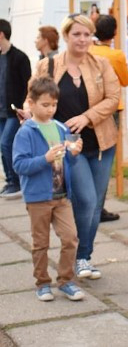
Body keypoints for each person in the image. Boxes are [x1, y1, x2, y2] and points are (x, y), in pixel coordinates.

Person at [33, 14, 119, 280]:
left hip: (102, 144)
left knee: (95, 205)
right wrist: (29, 114)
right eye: (76, 34)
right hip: (68, 147)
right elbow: (31, 97)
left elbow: (114, 98)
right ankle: (79, 255)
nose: (82, 39)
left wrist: (87, 117)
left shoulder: (101, 64)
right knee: (86, 200)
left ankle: (83, 257)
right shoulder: (47, 65)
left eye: (86, 34)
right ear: (66, 36)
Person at [12, 76, 85, 301]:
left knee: (70, 238)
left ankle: (66, 280)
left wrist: (73, 153)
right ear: (31, 103)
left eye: (54, 104)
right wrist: (45, 158)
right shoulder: (26, 132)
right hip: (38, 198)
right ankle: (42, 283)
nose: (50, 109)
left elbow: (67, 162)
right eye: (45, 105)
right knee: (41, 243)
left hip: (62, 195)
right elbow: (19, 165)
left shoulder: (61, 128)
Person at [90, 15, 128, 222]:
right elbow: (125, 80)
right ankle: (98, 208)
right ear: (114, 32)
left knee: (90, 155)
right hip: (111, 109)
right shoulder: (116, 55)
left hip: (89, 108)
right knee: (106, 158)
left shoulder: (89, 51)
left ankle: (90, 205)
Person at [0, 19, 32, 199]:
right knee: (3, 145)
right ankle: (10, 180)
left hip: (14, 111)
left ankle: (17, 182)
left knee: (6, 143)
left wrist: (23, 107)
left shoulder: (20, 57)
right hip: (1, 111)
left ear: (1, 34)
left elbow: (28, 85)